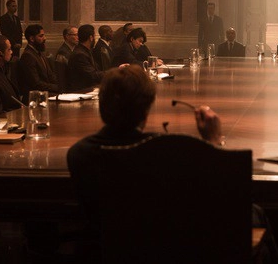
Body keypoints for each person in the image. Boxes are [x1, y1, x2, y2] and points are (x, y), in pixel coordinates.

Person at [66, 66, 224, 245]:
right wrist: (214, 140)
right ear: (147, 109)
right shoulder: (163, 150)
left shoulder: (79, 153)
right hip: (161, 249)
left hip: (101, 251)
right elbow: (211, 197)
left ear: (102, 104)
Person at [18, 24, 59, 99]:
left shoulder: (40, 52)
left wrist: (60, 85)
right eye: (41, 36)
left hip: (45, 92)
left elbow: (50, 75)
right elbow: (36, 84)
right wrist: (57, 87)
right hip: (35, 97)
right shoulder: (28, 56)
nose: (45, 38)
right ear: (32, 38)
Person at [67, 24, 104, 92]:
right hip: (82, 91)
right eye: (94, 36)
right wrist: (112, 73)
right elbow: (92, 76)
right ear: (91, 38)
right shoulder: (80, 54)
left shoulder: (86, 51)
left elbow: (96, 71)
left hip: (89, 88)